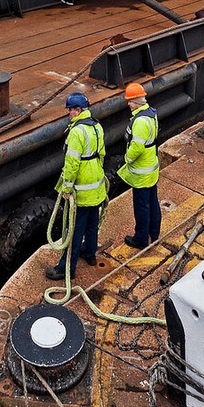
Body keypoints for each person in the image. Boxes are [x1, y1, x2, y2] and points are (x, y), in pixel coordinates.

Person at [45, 92, 107, 281]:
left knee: (73, 229)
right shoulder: (97, 126)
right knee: (91, 222)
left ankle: (66, 269)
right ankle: (89, 254)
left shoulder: (76, 132)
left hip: (82, 188)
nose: (68, 114)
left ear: (78, 110)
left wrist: (66, 188)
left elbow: (72, 163)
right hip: (97, 183)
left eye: (70, 110)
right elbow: (102, 153)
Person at [117, 82, 161, 249]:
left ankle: (141, 239)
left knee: (142, 208)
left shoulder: (140, 121)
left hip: (142, 173)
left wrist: (127, 158)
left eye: (130, 100)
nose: (128, 104)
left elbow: (137, 147)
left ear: (137, 101)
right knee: (153, 203)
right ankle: (154, 234)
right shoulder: (151, 113)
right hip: (151, 168)